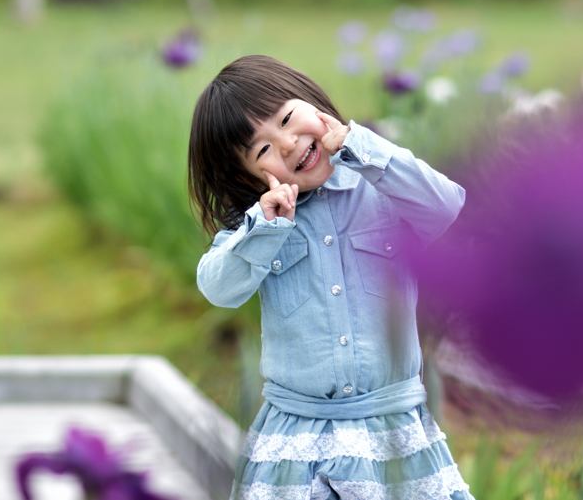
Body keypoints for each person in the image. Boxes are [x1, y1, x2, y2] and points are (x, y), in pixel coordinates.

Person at [188, 55, 473, 500]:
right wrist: (264, 229)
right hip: (297, 433)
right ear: (246, 176)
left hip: (391, 424)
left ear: (312, 99)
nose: (286, 144)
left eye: (287, 118)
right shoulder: (260, 224)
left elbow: (445, 207)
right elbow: (218, 287)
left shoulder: (381, 186)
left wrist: (363, 146)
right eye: (262, 150)